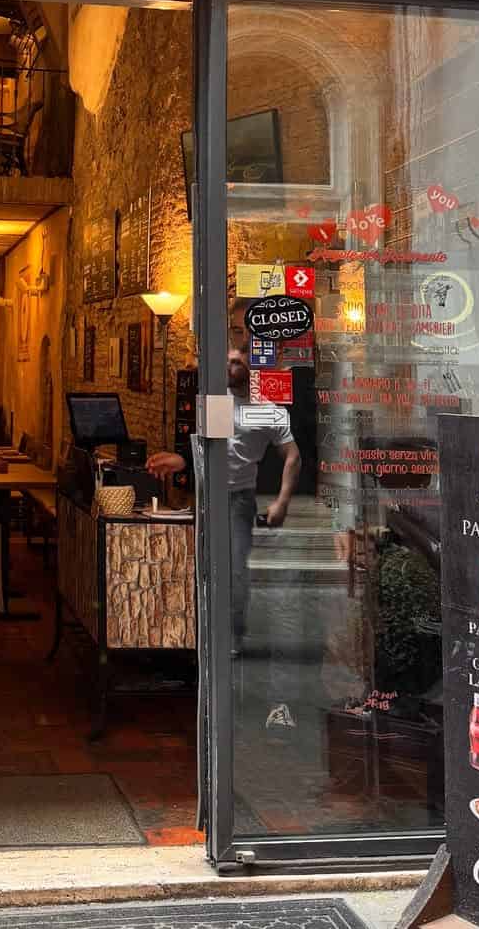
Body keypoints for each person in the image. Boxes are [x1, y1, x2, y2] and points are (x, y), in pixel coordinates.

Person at [147, 297, 302, 725]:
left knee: (233, 572)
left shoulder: (268, 409)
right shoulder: (212, 402)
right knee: (192, 570)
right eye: (232, 344)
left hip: (236, 501)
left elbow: (293, 456)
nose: (234, 358)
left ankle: (229, 645)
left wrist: (283, 501)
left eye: (242, 352)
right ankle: (192, 647)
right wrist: (180, 461)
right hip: (206, 496)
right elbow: (206, 452)